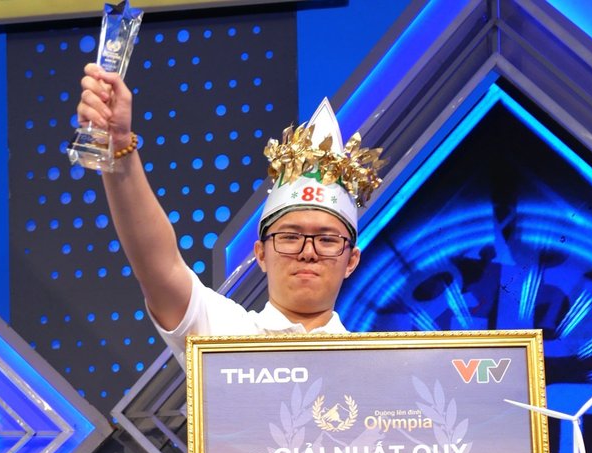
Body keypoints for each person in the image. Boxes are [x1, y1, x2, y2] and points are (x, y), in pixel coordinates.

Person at [76, 63, 384, 367]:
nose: (308, 252)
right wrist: (119, 149)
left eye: (327, 240)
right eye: (290, 237)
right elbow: (160, 266)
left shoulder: (377, 365)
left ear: (352, 260)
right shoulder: (224, 333)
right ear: (260, 254)